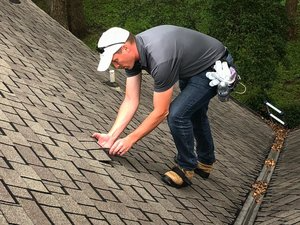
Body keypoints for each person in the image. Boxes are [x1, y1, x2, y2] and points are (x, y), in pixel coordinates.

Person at [93, 25, 236, 188]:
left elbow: (161, 111)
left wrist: (130, 139)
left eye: (115, 61)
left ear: (125, 48)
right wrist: (111, 136)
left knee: (178, 114)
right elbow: (131, 99)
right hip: (191, 65)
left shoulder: (160, 58)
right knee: (194, 112)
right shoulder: (134, 53)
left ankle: (186, 167)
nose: (116, 66)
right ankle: (206, 162)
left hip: (213, 66)